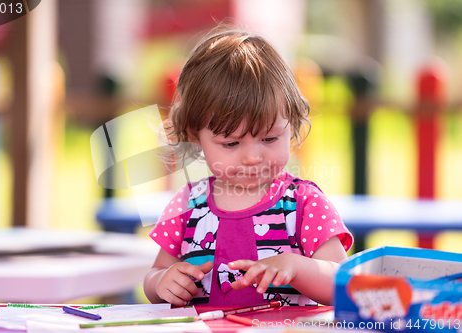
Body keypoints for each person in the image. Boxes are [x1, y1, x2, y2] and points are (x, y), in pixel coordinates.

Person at [143, 29, 353, 307]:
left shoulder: (304, 204)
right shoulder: (186, 204)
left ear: (290, 123)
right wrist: (161, 282)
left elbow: (344, 283)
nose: (253, 157)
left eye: (269, 138)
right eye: (231, 144)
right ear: (195, 136)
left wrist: (297, 267)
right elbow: (155, 275)